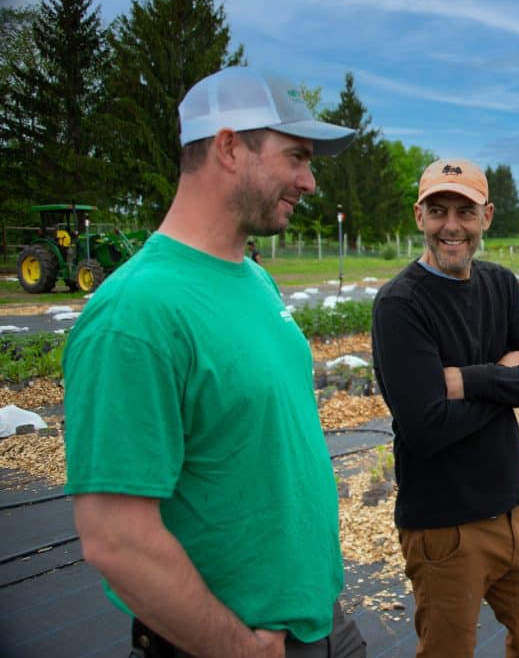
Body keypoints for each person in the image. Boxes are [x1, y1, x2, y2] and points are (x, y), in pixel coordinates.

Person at [63, 66, 366, 658]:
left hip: (318, 619)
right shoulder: (136, 313)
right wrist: (236, 649)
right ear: (229, 146)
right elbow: (116, 539)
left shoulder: (253, 279)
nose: (308, 182)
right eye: (296, 157)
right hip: (232, 641)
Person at [371, 158, 519, 657]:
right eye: (438, 210)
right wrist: (507, 382)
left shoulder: (501, 285)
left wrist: (473, 379)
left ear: (487, 216)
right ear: (419, 217)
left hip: (516, 512)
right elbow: (426, 427)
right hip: (445, 528)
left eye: (465, 210)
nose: (451, 225)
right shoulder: (400, 304)